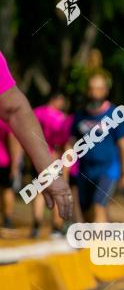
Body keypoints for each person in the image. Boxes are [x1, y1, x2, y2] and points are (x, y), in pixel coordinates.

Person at [0, 51, 72, 221]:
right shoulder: (60, 118)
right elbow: (13, 112)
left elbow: (14, 112)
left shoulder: (40, 112)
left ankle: (36, 224)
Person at [70, 71, 124, 223]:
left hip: (108, 169)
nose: (94, 93)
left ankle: (97, 245)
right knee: (87, 212)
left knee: (99, 205)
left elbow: (123, 145)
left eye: (98, 89)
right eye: (91, 89)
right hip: (85, 171)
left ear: (105, 91)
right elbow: (71, 143)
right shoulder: (80, 114)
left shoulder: (114, 114)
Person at [32, 94, 72, 237]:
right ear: (57, 99)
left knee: (39, 191)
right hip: (54, 158)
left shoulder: (37, 112)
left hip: (37, 156)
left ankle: (36, 225)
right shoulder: (60, 118)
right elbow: (64, 142)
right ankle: (56, 227)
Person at [0, 119, 22, 228]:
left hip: (3, 161)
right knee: (7, 189)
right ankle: (7, 220)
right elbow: (13, 142)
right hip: (3, 161)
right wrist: (15, 165)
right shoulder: (6, 121)